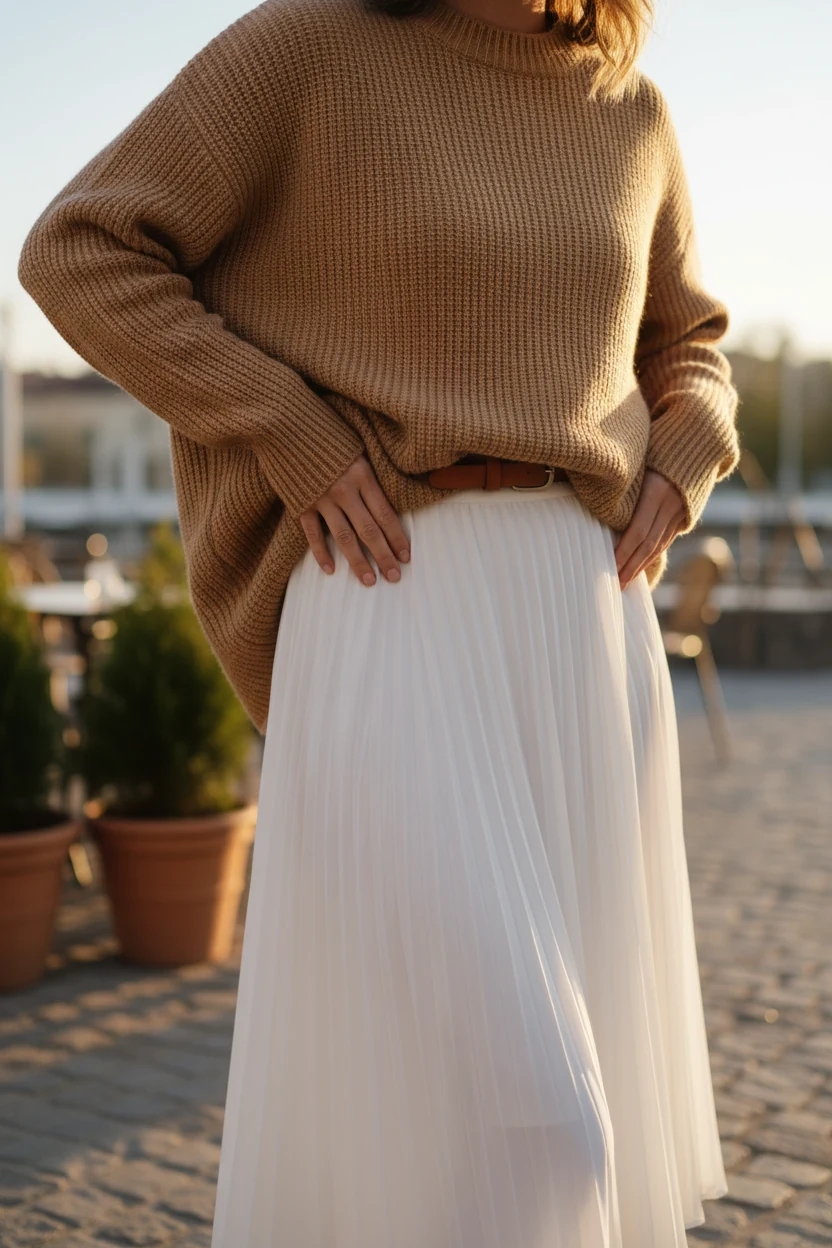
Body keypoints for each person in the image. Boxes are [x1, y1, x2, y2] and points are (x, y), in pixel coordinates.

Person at [18, 0, 739, 1241]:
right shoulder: (309, 47)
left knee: (487, 1114)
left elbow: (692, 343)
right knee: (544, 1120)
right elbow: (79, 248)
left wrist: (691, 446)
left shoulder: (629, 110)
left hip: (582, 628)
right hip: (392, 595)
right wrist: (277, 421)